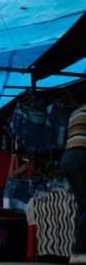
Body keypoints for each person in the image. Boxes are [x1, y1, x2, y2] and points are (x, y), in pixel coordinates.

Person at [61, 102, 86, 264]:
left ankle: (79, 253)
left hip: (67, 158)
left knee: (82, 207)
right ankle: (79, 251)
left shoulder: (76, 111)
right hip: (81, 155)